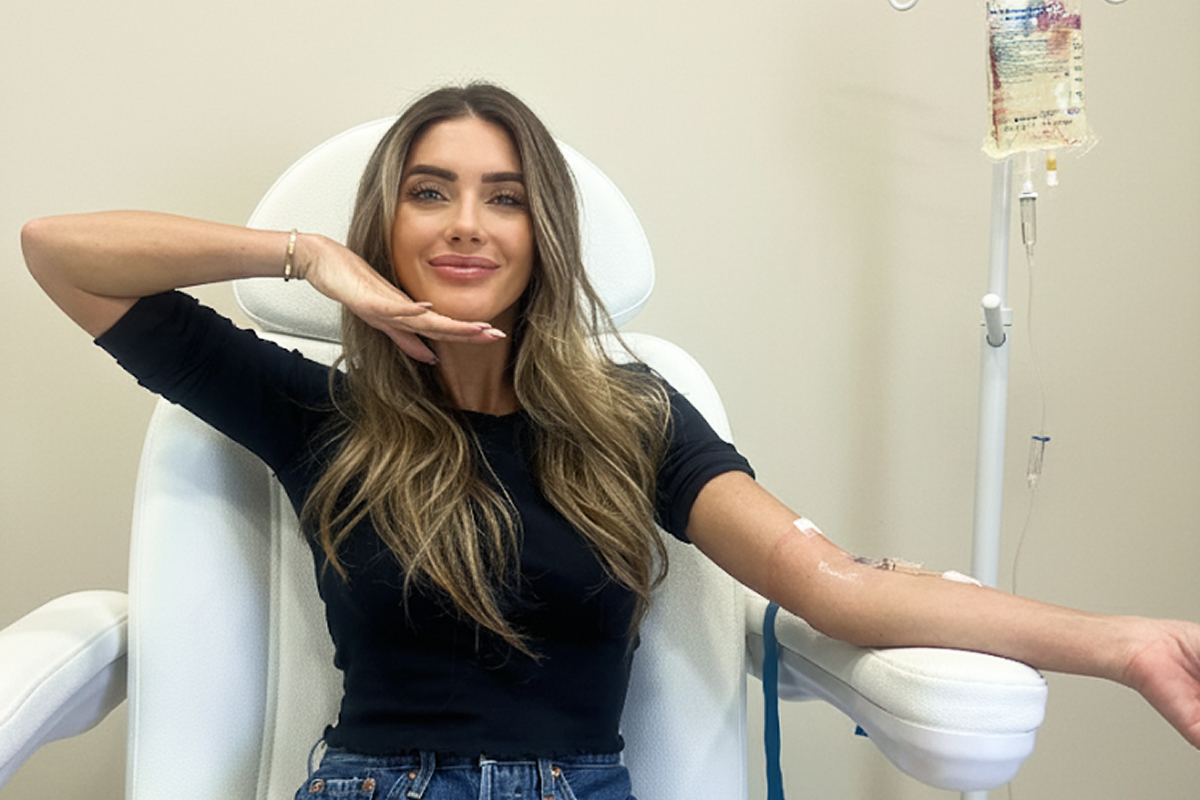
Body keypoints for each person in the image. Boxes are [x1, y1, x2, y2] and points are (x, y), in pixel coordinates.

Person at [21, 82, 1200, 800]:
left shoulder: (630, 416)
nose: (468, 222)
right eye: (429, 191)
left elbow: (827, 587)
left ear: (548, 228)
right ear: (385, 218)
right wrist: (297, 254)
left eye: (505, 193)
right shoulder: (316, 409)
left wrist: (1127, 642)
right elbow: (55, 250)